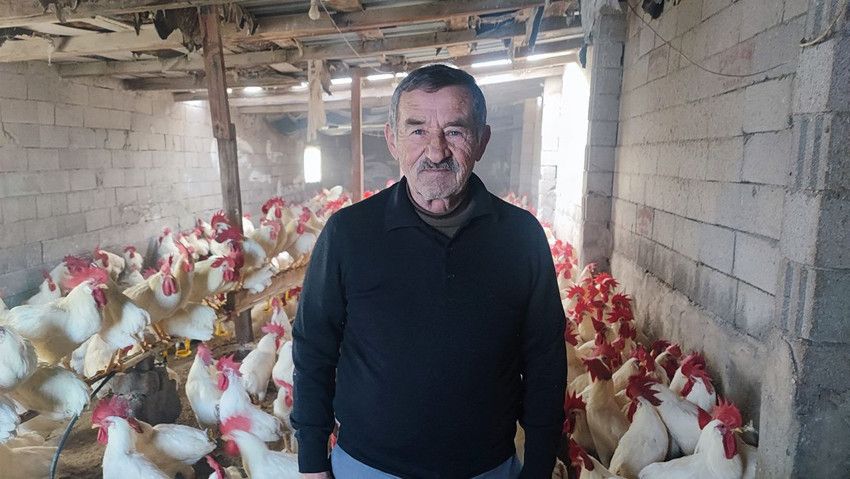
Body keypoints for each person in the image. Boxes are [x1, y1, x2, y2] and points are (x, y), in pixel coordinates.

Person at [292, 64, 566, 479]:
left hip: (486, 468)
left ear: (482, 140)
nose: (436, 151)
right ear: (392, 140)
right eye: (417, 130)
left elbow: (545, 356)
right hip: (368, 467)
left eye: (455, 131)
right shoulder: (349, 233)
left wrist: (541, 463)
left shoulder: (521, 236)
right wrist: (312, 461)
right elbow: (314, 345)